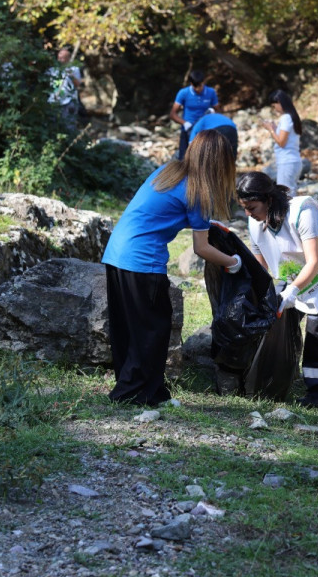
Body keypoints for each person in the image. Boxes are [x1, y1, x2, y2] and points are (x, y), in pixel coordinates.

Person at [101, 130, 242, 406]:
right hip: (143, 261)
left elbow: (163, 212)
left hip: (116, 253)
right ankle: (135, 393)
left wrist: (208, 226)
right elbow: (201, 248)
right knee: (154, 327)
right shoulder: (198, 193)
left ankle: (140, 389)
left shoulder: (168, 171)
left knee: (128, 327)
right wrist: (232, 262)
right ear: (219, 163)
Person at [237, 172, 318, 407]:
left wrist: (292, 292)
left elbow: (314, 261)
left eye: (252, 207)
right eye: (244, 208)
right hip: (294, 277)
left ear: (268, 199)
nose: (248, 213)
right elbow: (261, 266)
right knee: (277, 322)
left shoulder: (303, 210)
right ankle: (276, 378)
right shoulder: (255, 222)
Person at [170, 69, 218, 160]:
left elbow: (218, 110)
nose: (197, 89)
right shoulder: (183, 93)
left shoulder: (211, 92)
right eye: (195, 86)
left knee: (204, 158)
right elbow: (173, 114)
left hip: (204, 130)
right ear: (191, 84)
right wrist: (184, 123)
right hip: (188, 129)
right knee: (184, 159)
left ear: (203, 82)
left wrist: (213, 114)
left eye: (199, 86)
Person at [263, 89, 303, 194]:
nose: (274, 108)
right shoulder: (292, 116)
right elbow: (285, 138)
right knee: (291, 192)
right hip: (293, 160)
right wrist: (275, 128)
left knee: (285, 195)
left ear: (279, 103)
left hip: (287, 161)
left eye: (274, 105)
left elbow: (281, 142)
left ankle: (290, 211)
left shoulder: (286, 118)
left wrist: (270, 130)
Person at [48, 47, 83, 128]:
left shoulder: (74, 69)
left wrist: (71, 76)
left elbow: (78, 84)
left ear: (68, 58)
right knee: (53, 125)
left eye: (62, 58)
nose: (60, 60)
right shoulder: (52, 70)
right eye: (59, 58)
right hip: (54, 101)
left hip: (69, 101)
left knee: (69, 126)